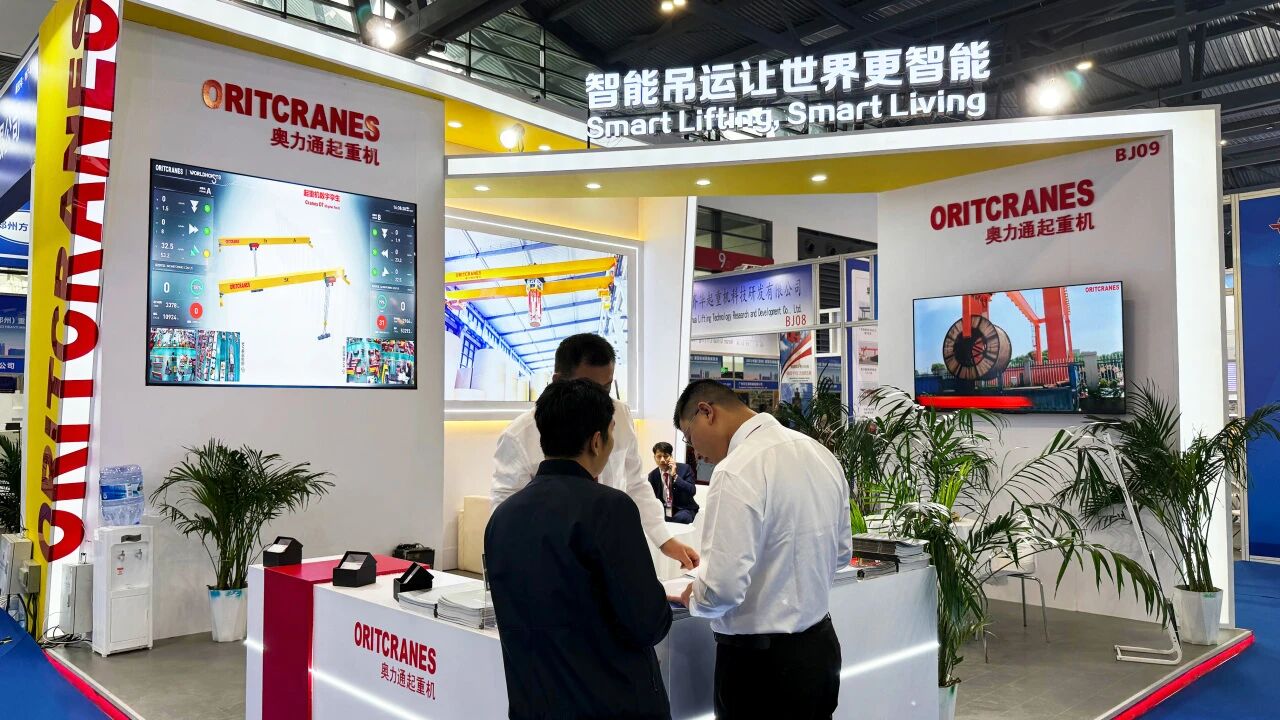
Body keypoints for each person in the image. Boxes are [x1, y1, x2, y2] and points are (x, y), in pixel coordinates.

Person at [485, 378, 673, 720]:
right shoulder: (610, 508)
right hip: (611, 704)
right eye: (612, 434)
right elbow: (646, 622)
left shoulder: (503, 517)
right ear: (597, 441)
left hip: (535, 706)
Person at [669, 380, 852, 720]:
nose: (695, 452)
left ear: (706, 412)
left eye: (689, 437)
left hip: (759, 669)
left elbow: (721, 591)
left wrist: (694, 596)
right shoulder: (819, 453)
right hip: (819, 653)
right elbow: (842, 554)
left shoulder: (736, 469)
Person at [491, 333, 699, 570]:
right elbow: (506, 513)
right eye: (588, 388)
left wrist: (664, 539)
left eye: (606, 389)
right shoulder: (520, 435)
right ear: (558, 381)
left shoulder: (619, 415)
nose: (600, 401)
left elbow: (635, 483)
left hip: (611, 547)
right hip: (554, 560)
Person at [648, 442, 698, 524]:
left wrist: (675, 476)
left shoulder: (685, 469)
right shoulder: (652, 475)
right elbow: (651, 498)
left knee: (681, 518)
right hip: (664, 510)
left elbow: (692, 491)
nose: (662, 460)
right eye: (659, 456)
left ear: (671, 457)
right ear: (654, 458)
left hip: (684, 509)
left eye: (665, 456)